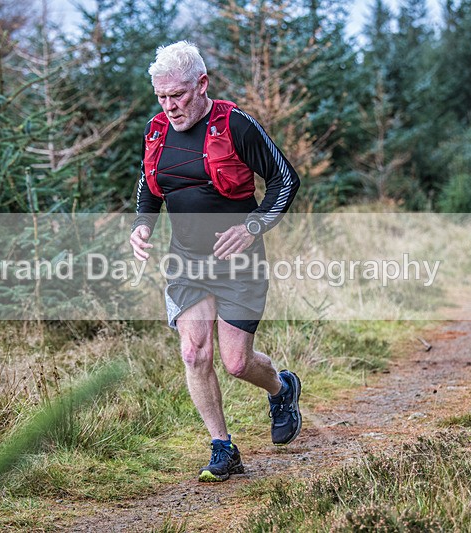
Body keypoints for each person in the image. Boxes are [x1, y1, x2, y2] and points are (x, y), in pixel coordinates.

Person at [129, 41, 302, 482]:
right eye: (162, 97)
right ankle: (222, 448)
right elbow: (151, 186)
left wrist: (252, 228)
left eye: (178, 95)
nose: (170, 106)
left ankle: (281, 389)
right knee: (193, 352)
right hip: (186, 262)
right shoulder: (156, 131)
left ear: (201, 84)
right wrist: (143, 225)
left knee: (237, 363)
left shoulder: (235, 125)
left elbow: (285, 179)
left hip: (238, 265)